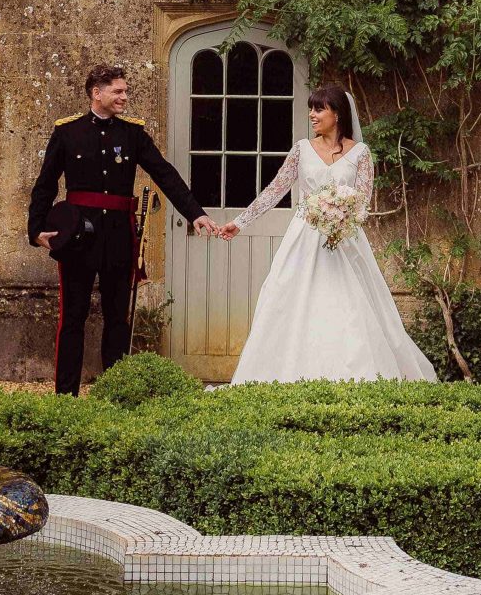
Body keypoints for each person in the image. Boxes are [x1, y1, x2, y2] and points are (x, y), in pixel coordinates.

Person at [216, 84, 438, 384]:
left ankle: (353, 378)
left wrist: (341, 218)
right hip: (304, 240)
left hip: (344, 241)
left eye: (319, 108)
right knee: (291, 305)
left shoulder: (360, 153)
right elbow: (274, 190)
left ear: (337, 113)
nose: (312, 114)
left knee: (349, 309)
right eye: (312, 108)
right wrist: (240, 222)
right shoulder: (302, 149)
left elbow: (363, 202)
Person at [28, 64, 219, 395]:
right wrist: (36, 229)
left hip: (118, 237)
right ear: (96, 93)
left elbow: (164, 173)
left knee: (118, 319)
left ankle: (113, 393)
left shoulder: (132, 135)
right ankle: (64, 399)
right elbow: (45, 184)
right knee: (73, 318)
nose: (124, 97)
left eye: (125, 91)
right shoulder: (67, 132)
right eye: (118, 91)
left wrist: (194, 214)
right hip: (77, 240)